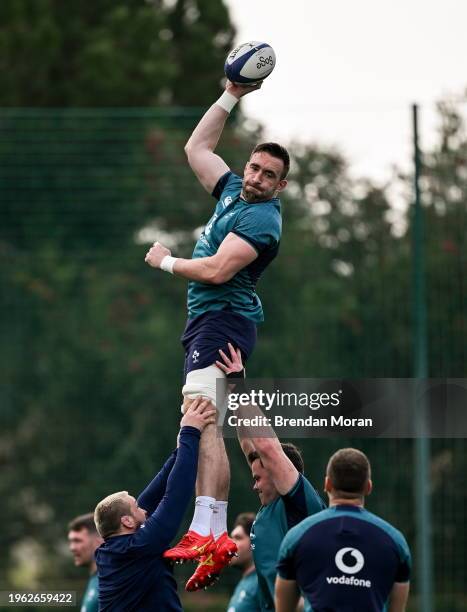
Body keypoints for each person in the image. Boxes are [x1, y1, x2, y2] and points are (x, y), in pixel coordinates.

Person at [145, 78, 290, 590]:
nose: (256, 177)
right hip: (207, 324)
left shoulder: (263, 220)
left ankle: (209, 531)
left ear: (280, 186)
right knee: (205, 420)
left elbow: (215, 271)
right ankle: (209, 531)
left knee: (202, 417)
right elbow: (197, 147)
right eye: (254, 167)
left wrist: (167, 262)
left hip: (222, 321)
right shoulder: (233, 190)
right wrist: (231, 93)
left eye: (269, 175)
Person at [216, 344, 326, 611]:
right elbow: (249, 443)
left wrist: (240, 386)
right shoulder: (269, 509)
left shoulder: (298, 503)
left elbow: (265, 445)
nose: (254, 485)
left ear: (280, 474)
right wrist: (232, 393)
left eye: (258, 478)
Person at [93, 398, 215, 611]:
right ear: (127, 521)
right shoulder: (141, 546)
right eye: (136, 507)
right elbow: (176, 494)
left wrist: (181, 445)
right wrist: (190, 433)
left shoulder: (113, 550)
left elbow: (156, 490)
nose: (143, 507)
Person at [275, 448, 412, 612]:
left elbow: (283, 608)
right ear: (368, 487)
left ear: (327, 484)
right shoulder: (395, 541)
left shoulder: (297, 537)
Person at [68, 513, 103, 612]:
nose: (72, 548)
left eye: (77, 541)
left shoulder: (112, 582)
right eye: (71, 541)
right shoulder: (95, 579)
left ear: (99, 541)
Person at [227, 512, 261, 612]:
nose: (230, 544)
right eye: (231, 538)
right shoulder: (245, 582)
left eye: (238, 538)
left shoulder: (264, 581)